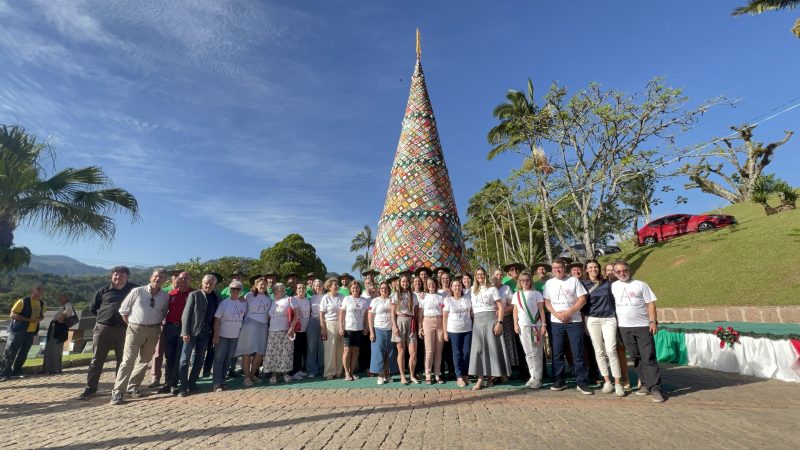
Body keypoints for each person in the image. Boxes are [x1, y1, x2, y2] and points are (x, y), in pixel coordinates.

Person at [110, 268, 169, 405]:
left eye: (161, 277)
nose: (158, 279)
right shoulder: (137, 291)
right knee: (127, 361)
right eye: (156, 276)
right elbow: (123, 310)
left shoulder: (165, 296)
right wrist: (131, 324)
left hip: (154, 330)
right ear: (151, 277)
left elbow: (164, 312)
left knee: (144, 361)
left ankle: (133, 387)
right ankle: (118, 392)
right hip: (135, 328)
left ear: (164, 281)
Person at [611, 260, 666, 403]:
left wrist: (653, 322)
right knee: (635, 357)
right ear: (615, 273)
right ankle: (646, 384)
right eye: (619, 271)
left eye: (624, 270)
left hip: (642, 326)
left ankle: (656, 388)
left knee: (648, 357)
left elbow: (651, 304)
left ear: (629, 270)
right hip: (624, 327)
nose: (622, 273)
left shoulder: (640, 285)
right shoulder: (613, 287)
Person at [79, 266, 136, 399]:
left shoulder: (134, 290)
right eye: (115, 275)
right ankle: (90, 388)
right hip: (103, 328)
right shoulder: (103, 291)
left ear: (127, 276)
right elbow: (93, 308)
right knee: (97, 359)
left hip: (124, 329)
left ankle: (119, 388)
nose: (118, 277)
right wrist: (104, 317)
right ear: (112, 276)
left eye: (121, 275)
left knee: (123, 360)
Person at [543, 259, 592, 394]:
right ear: (552, 270)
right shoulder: (549, 283)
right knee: (557, 352)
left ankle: (581, 381)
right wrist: (557, 314)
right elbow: (547, 302)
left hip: (574, 321)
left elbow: (582, 299)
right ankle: (559, 380)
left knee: (577, 351)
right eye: (554, 268)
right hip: (556, 322)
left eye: (559, 267)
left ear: (564, 268)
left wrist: (569, 312)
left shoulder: (574, 281)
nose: (557, 270)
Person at [582, 259, 624, 397]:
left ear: (599, 269)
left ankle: (618, 383)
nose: (593, 269)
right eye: (590, 267)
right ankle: (607, 381)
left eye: (596, 267)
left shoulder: (607, 283)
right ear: (586, 270)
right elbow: (582, 304)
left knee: (611, 349)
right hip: (592, 319)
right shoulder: (583, 284)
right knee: (598, 350)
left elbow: (616, 300)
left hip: (608, 318)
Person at [468, 267, 511, 391]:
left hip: (491, 320)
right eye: (477, 274)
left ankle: (491, 378)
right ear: (475, 276)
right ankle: (480, 379)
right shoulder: (472, 290)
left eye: (482, 274)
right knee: (478, 350)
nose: (480, 276)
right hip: (477, 322)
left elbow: (501, 307)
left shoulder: (492, 288)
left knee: (491, 349)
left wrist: (500, 323)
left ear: (485, 275)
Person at [179, 273, 219, 396]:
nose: (208, 285)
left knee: (199, 360)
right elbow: (186, 315)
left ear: (215, 285)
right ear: (202, 283)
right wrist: (185, 332)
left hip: (206, 333)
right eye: (206, 283)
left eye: (211, 283)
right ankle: (183, 387)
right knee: (185, 360)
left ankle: (192, 383)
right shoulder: (194, 295)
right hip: (191, 332)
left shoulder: (216, 297)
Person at [0, 284, 46, 381]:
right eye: (38, 289)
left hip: (31, 332)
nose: (40, 292)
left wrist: (39, 319)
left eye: (41, 290)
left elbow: (42, 315)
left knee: (24, 353)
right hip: (18, 331)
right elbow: (13, 315)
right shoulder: (22, 301)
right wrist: (28, 319)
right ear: (32, 291)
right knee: (10, 352)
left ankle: (16, 371)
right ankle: (4, 373)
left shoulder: (41, 303)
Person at [157, 271, 192, 395]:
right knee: (169, 357)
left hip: (184, 330)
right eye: (181, 278)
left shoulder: (194, 294)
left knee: (179, 358)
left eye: (186, 278)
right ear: (177, 279)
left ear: (190, 280)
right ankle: (168, 383)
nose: (183, 280)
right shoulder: (170, 293)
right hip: (170, 328)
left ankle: (175, 383)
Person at [511, 271, 546, 389]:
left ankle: (538, 377)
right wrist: (515, 324)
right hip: (523, 326)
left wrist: (543, 324)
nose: (525, 282)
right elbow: (515, 311)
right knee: (528, 353)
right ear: (519, 282)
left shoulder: (536, 294)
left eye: (527, 280)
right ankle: (532, 375)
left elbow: (541, 310)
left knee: (536, 352)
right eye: (522, 280)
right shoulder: (517, 295)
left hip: (535, 326)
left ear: (531, 281)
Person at [235, 277, 271, 387]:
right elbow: (241, 306)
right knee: (247, 351)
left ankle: (252, 375)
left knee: (260, 352)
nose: (263, 286)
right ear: (256, 285)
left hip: (263, 325)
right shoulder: (249, 296)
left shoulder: (268, 298)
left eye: (265, 284)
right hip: (250, 323)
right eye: (261, 284)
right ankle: (246, 377)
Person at [212, 280, 247, 392]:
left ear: (241, 290)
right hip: (222, 334)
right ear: (229, 290)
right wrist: (216, 334)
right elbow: (217, 319)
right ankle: (216, 383)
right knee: (219, 358)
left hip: (235, 335)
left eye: (238, 289)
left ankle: (223, 380)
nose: (235, 291)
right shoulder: (224, 303)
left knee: (228, 358)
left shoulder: (244, 303)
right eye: (233, 289)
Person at [263, 284, 298, 384]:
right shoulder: (272, 301)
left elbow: (296, 314)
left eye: (276, 290)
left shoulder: (290, 299)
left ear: (282, 290)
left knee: (285, 353)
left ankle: (285, 373)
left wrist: (292, 327)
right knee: (273, 353)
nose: (274, 292)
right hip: (272, 331)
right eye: (273, 290)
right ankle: (274, 374)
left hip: (285, 330)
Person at [442, 279, 472, 387]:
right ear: (451, 287)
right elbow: (444, 317)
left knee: (467, 352)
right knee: (457, 353)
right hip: (454, 330)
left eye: (459, 285)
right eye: (455, 286)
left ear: (462, 287)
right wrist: (445, 332)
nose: (457, 287)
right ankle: (459, 376)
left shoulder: (467, 298)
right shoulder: (448, 300)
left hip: (467, 329)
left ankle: (465, 374)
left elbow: (471, 312)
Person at [391, 274, 419, 385]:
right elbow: (392, 312)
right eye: (403, 281)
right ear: (400, 283)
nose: (405, 283)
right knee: (401, 351)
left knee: (413, 352)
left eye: (407, 281)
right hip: (400, 320)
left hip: (411, 321)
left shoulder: (414, 295)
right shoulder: (395, 295)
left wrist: (417, 324)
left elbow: (416, 312)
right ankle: (402, 376)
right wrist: (394, 325)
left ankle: (412, 375)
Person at [339, 281, 369, 381]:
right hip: (348, 329)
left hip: (359, 329)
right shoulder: (346, 299)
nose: (355, 289)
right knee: (347, 351)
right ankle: (346, 373)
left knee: (356, 351)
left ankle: (352, 372)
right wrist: (341, 327)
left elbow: (366, 316)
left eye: (357, 288)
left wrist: (366, 327)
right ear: (350, 289)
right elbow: (341, 315)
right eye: (353, 288)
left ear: (360, 289)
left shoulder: (364, 301)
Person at [368, 282, 397, 384]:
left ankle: (387, 374)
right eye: (382, 288)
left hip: (390, 329)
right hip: (378, 328)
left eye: (386, 288)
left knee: (390, 353)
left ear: (388, 290)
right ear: (379, 290)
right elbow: (370, 316)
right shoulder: (375, 301)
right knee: (378, 353)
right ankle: (380, 375)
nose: (384, 290)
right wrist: (371, 332)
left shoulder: (392, 300)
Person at [419, 277, 445, 384]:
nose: (431, 285)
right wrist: (420, 327)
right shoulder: (423, 297)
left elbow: (444, 310)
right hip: (427, 322)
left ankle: (437, 374)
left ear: (436, 284)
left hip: (439, 322)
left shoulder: (441, 297)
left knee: (438, 351)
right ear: (426, 285)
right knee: (429, 350)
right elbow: (420, 314)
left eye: (433, 283)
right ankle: (428, 374)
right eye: (429, 284)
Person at [42, 292, 76, 375]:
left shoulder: (67, 305)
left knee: (55, 348)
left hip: (58, 329)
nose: (59, 299)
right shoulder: (64, 305)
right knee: (51, 348)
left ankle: (54, 368)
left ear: (65, 298)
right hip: (56, 328)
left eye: (60, 297)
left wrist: (61, 318)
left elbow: (68, 312)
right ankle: (49, 368)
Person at [493, 268, 518, 381]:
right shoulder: (489, 289)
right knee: (494, 346)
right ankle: (494, 372)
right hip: (492, 320)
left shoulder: (506, 288)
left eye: (500, 275)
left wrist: (502, 311)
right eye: (496, 275)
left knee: (505, 346)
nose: (498, 276)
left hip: (505, 320)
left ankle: (505, 372)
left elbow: (512, 305)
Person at [319, 278, 344, 379]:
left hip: (341, 324)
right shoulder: (325, 298)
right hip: (329, 324)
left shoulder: (342, 297)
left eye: (337, 284)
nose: (337, 286)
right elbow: (321, 313)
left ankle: (338, 371)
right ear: (329, 287)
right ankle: (329, 372)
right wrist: (323, 328)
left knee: (340, 348)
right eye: (335, 285)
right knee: (330, 349)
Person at [289, 283, 311, 380]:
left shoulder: (307, 300)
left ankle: (298, 370)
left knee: (301, 351)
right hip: (297, 330)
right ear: (296, 290)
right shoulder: (293, 299)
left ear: (305, 290)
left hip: (305, 330)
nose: (301, 289)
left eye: (303, 288)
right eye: (299, 288)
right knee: (296, 352)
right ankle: (293, 372)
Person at [306, 279, 325, 378]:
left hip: (324, 322)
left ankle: (322, 368)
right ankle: (312, 370)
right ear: (313, 287)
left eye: (320, 285)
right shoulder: (311, 298)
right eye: (316, 286)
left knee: (322, 347)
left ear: (323, 286)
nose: (318, 287)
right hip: (313, 322)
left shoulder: (326, 297)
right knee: (312, 347)